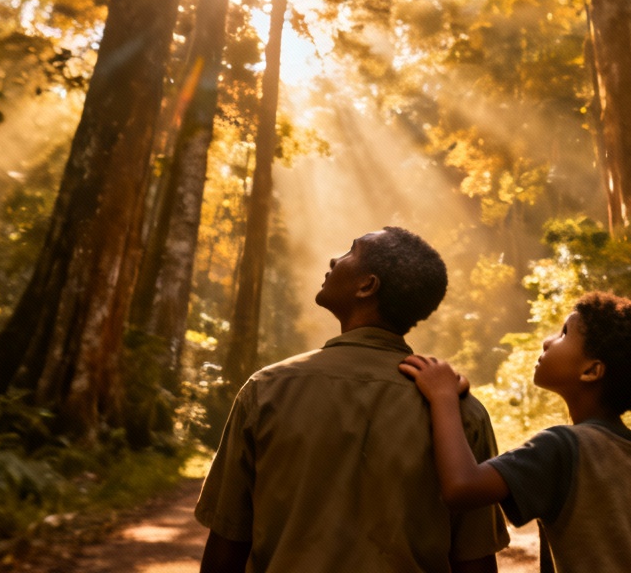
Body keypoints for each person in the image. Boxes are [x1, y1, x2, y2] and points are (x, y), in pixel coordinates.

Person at [196, 227, 509, 573]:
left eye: (351, 251)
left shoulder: (267, 389)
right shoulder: (459, 411)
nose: (334, 259)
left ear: (367, 286)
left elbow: (226, 550)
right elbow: (475, 562)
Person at [400, 291, 631, 573]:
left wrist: (442, 398)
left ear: (591, 371)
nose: (547, 341)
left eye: (565, 333)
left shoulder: (563, 449)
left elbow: (462, 487)